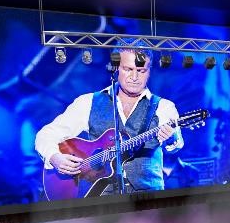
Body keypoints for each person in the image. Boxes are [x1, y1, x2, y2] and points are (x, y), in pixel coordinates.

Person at [35, 48, 183, 194]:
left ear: (149, 72)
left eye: (141, 70)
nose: (134, 77)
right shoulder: (88, 102)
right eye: (128, 69)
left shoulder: (164, 107)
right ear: (115, 68)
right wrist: (55, 157)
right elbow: (46, 134)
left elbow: (176, 145)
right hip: (99, 199)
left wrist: (171, 138)